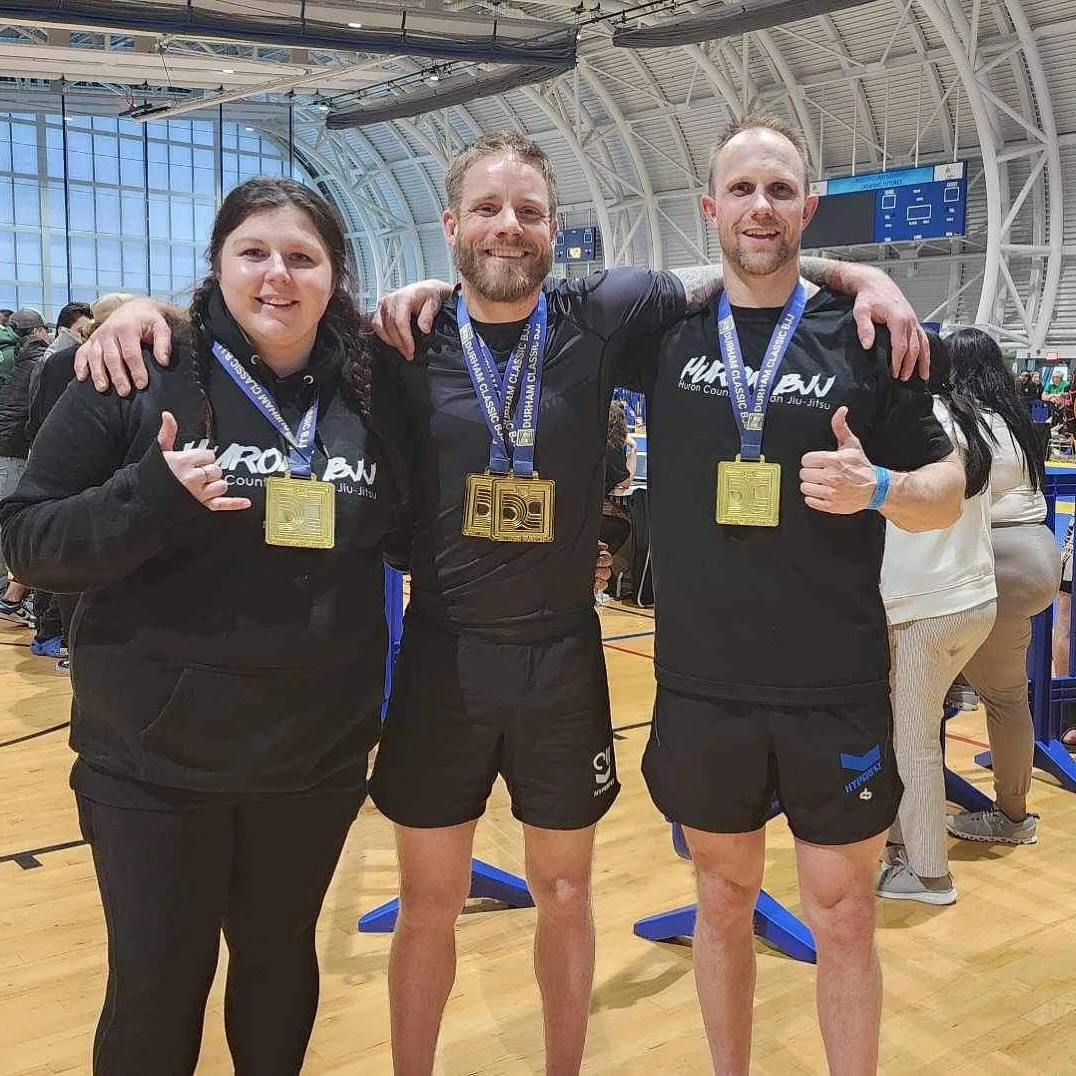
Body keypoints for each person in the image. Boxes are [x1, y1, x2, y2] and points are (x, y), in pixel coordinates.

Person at [79, 134, 926, 1075]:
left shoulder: (603, 312)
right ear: (450, 227)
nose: (506, 227)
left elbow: (749, 258)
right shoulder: (400, 338)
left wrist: (861, 278)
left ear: (554, 230)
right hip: (443, 656)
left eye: (527, 210)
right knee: (427, 900)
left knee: (564, 893)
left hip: (562, 656)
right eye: (485, 208)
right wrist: (138, 314)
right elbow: (271, 310)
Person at [0, 177, 410, 1076]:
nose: (277, 276)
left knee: (276, 970)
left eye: (302, 258)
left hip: (312, 761)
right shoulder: (136, 372)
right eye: (253, 253)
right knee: (155, 990)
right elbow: (28, 541)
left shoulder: (373, 391)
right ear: (216, 265)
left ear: (334, 274)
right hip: (154, 762)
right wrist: (149, 495)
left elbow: (413, 524)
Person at [623, 113, 962, 1074]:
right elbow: (518, 307)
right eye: (742, 190)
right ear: (709, 208)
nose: (760, 208)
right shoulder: (665, 333)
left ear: (809, 208)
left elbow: (945, 492)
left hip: (831, 682)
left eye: (780, 191)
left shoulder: (866, 336)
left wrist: (884, 489)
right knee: (722, 904)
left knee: (845, 911)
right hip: (703, 685)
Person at [876, 331, 997, 905]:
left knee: (913, 741)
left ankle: (928, 875)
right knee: (916, 729)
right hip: (973, 598)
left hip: (925, 605)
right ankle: (901, 843)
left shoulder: (913, 426)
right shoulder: (967, 419)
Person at [945, 328, 1061, 845]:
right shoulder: (1016, 423)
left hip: (996, 559)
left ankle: (1002, 823)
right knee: (1009, 696)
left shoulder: (958, 420)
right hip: (1038, 555)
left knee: (923, 687)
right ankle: (1014, 814)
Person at [0, 309, 50, 626]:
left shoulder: (16, 358)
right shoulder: (38, 363)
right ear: (39, 331)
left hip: (5, 442)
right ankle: (9, 595)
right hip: (11, 446)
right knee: (10, 522)